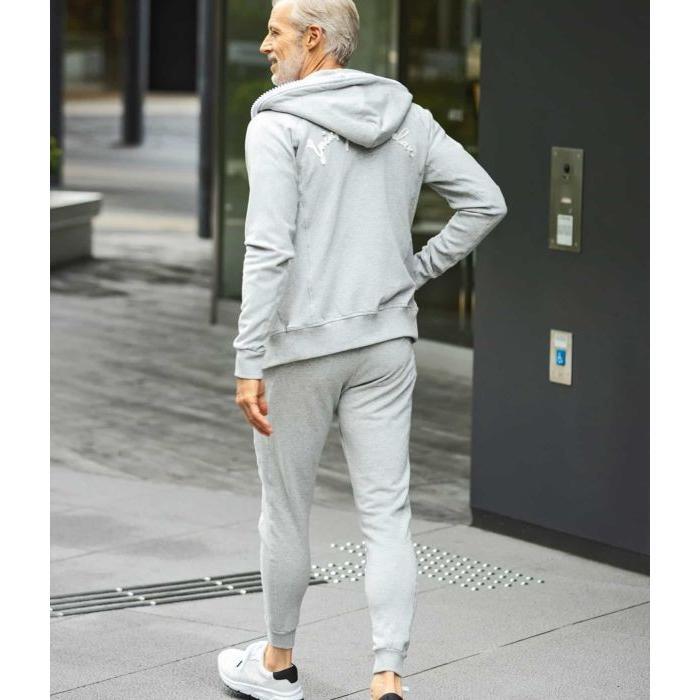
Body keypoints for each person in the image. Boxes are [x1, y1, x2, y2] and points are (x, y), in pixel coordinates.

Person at [216, 1, 508, 698]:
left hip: (299, 351)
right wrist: (416, 270)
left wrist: (248, 358)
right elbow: (486, 202)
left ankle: (278, 664)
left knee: (287, 510)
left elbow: (267, 248)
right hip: (385, 345)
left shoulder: (277, 123)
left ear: (313, 38)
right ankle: (387, 678)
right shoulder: (409, 118)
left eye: (275, 31)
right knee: (387, 515)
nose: (265, 45)